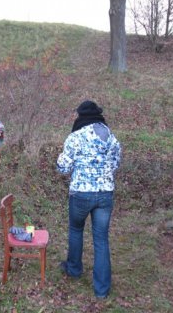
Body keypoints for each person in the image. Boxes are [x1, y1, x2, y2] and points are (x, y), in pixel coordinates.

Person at [56, 100, 121, 299]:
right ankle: (102, 290)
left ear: (80, 117)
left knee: (76, 230)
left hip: (81, 194)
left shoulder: (75, 137)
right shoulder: (111, 137)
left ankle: (74, 269)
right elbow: (116, 164)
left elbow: (63, 167)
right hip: (105, 193)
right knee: (101, 239)